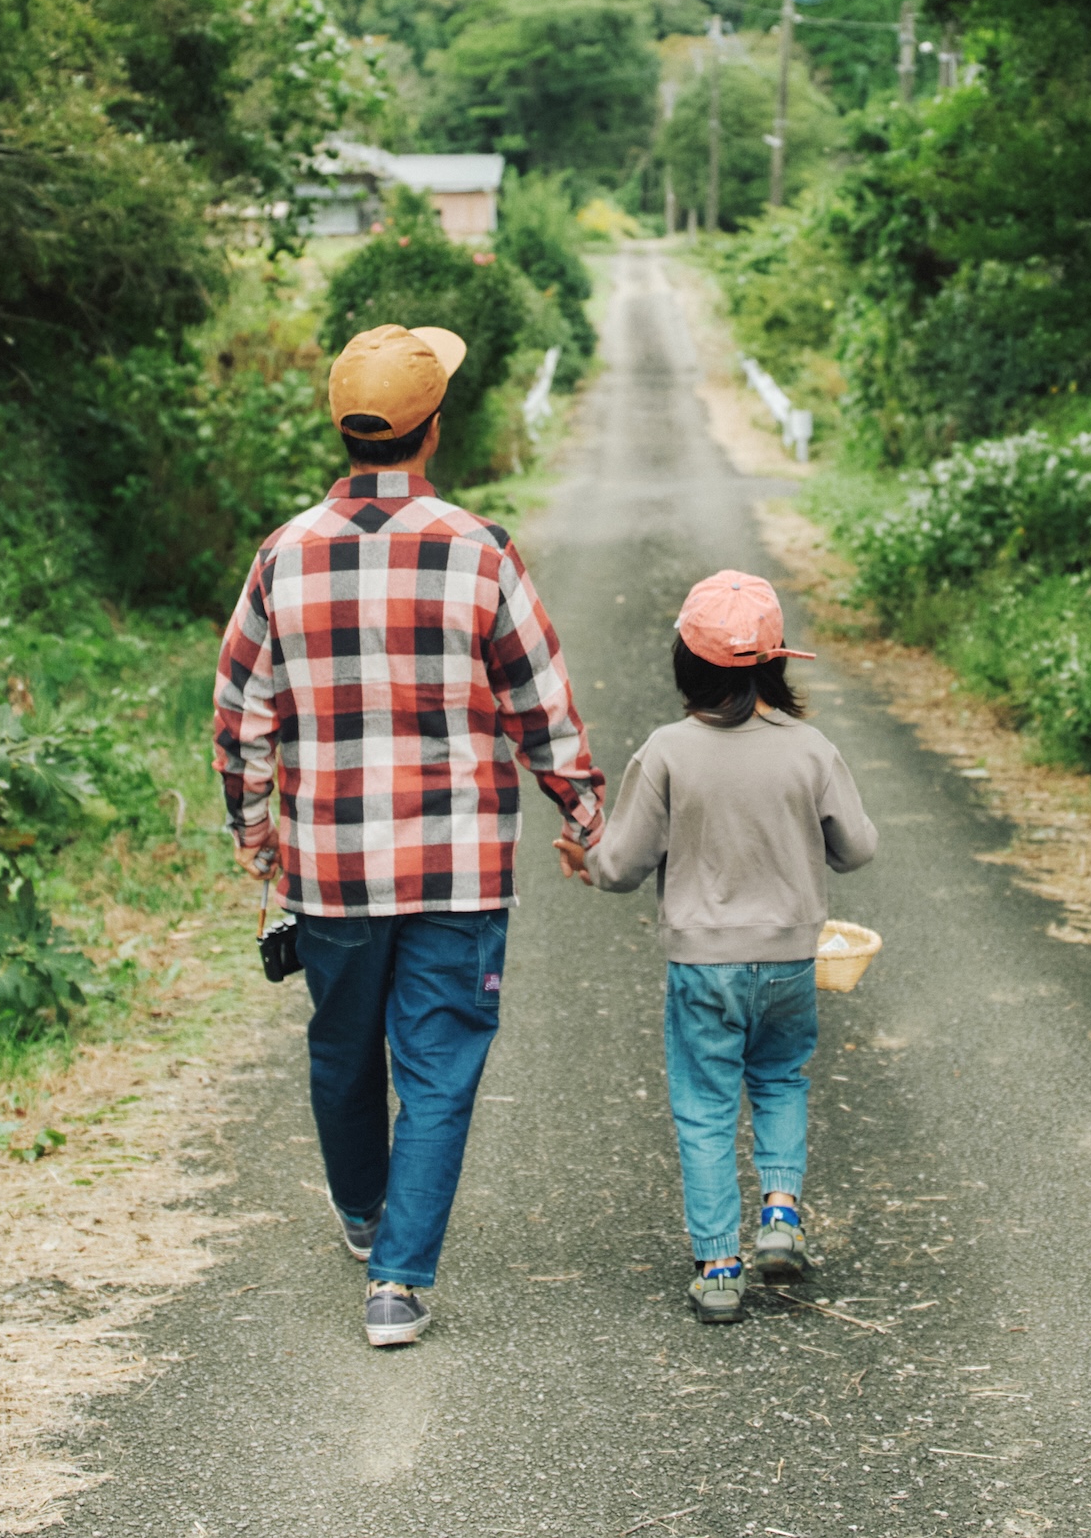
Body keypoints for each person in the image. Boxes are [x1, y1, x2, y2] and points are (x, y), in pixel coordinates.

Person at [213, 321, 608, 1350]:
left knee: (341, 1045)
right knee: (438, 1060)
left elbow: (240, 714)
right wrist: (586, 814)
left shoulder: (281, 557)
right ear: (430, 431)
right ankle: (398, 1282)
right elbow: (539, 705)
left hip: (332, 867)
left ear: (344, 429)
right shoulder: (479, 552)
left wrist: (255, 831)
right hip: (457, 862)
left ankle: (361, 1214)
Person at [563, 568, 878, 1325]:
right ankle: (779, 1214)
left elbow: (625, 861)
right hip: (792, 961)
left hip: (703, 965)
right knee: (780, 1079)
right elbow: (857, 848)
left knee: (705, 1105)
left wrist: (586, 859)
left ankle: (719, 1264)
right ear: (776, 663)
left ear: (687, 665)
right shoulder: (810, 748)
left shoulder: (669, 750)